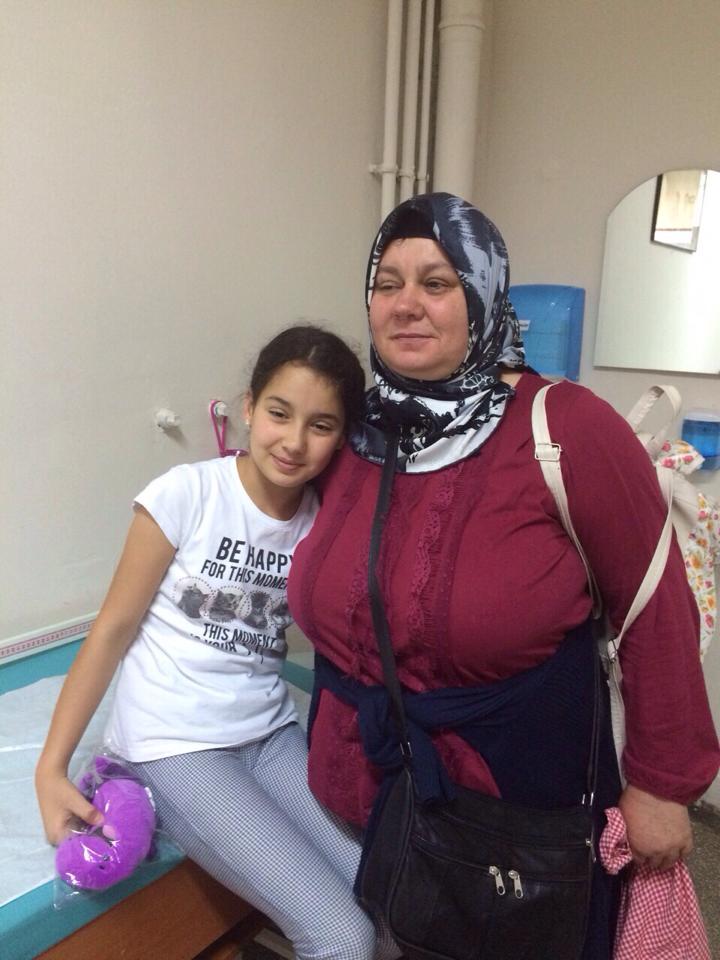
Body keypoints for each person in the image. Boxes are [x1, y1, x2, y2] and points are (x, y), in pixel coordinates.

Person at [287, 194, 720, 959]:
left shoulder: (568, 427)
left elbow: (655, 607)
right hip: (357, 783)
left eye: (437, 283)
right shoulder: (355, 429)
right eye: (387, 284)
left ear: (484, 294)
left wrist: (661, 786)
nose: (406, 304)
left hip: (509, 824)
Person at [35, 325, 391, 960]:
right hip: (176, 743)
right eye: (279, 413)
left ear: (342, 438)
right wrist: (50, 769)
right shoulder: (188, 493)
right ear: (249, 407)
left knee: (389, 907)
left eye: (321, 425)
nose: (294, 441)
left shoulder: (323, 523)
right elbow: (112, 629)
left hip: (269, 733)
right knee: (342, 937)